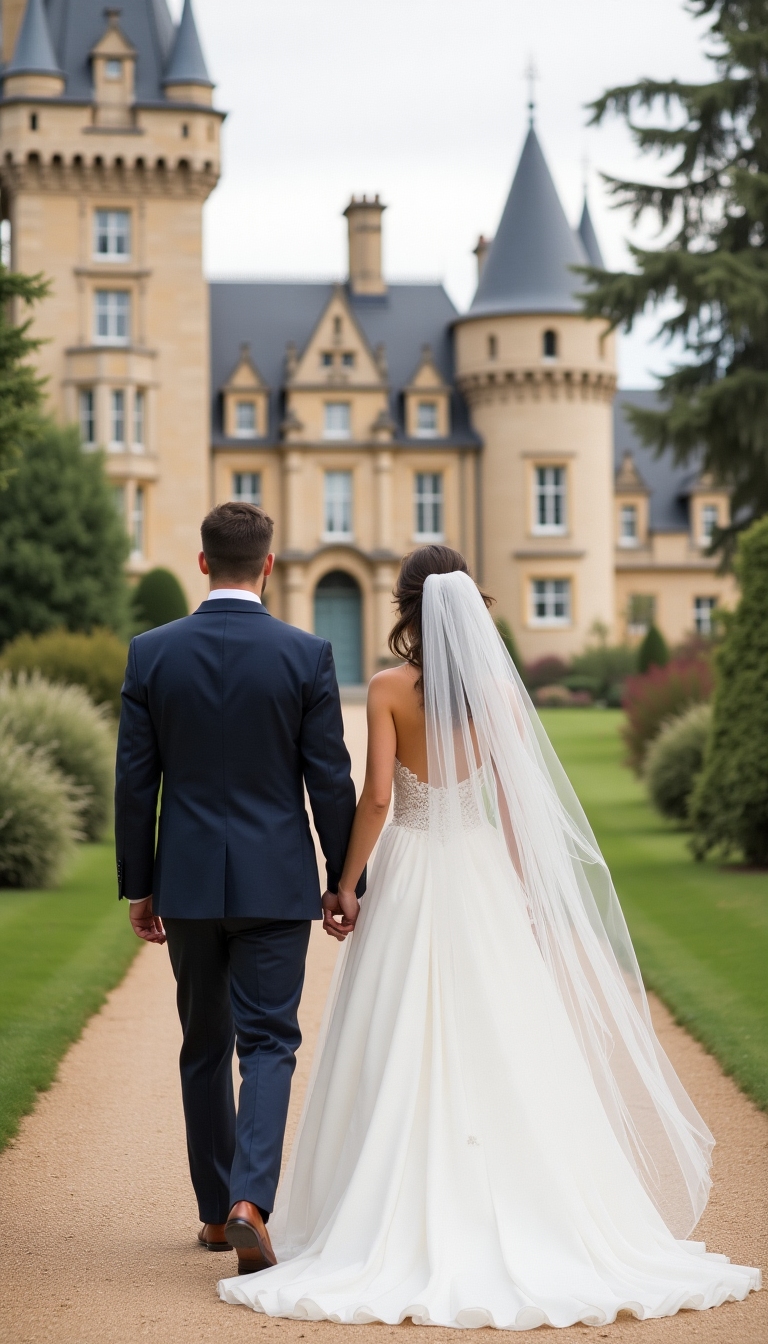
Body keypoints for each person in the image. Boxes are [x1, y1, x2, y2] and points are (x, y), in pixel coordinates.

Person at [219, 545, 760, 1330]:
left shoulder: (388, 689)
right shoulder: (500, 698)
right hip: (479, 870)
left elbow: (375, 798)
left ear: (405, 607)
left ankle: (383, 1203)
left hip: (412, 872)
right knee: (505, 1034)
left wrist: (342, 881)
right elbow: (514, 804)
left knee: (395, 1031)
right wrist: (522, 892)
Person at [115, 502, 362, 1274]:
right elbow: (330, 780)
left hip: (187, 882)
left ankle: (216, 1219)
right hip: (276, 882)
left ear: (200, 564)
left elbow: (134, 785)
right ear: (269, 566)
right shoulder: (306, 654)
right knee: (270, 1042)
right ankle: (251, 1199)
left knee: (203, 1045)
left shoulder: (151, 652)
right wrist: (343, 878)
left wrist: (139, 886)